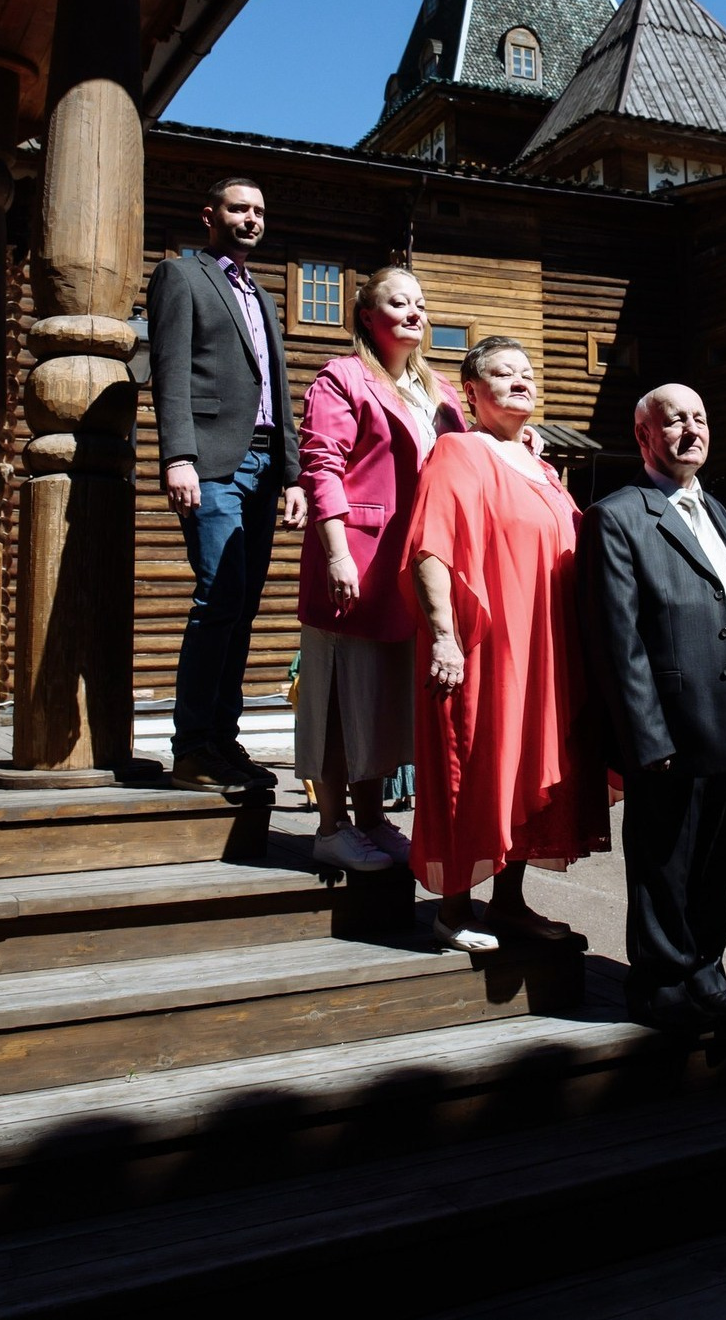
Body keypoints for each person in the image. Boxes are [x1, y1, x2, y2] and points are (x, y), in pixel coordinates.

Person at [404, 336, 609, 952]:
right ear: (472, 391)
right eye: (502, 373)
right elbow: (430, 546)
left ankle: (511, 902)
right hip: (489, 646)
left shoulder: (543, 466)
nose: (521, 381)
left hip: (548, 647)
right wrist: (444, 633)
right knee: (479, 759)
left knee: (531, 766)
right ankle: (454, 906)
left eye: (527, 372)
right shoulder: (459, 452)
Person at [577, 384, 726, 1033]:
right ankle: (661, 985)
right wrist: (644, 736)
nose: (691, 429)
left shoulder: (714, 508)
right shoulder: (618, 515)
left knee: (715, 862)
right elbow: (616, 639)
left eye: (700, 418)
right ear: (644, 436)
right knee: (664, 864)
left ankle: (706, 973)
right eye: (675, 420)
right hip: (668, 730)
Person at [296, 266, 466, 873]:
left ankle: (371, 820)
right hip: (358, 561)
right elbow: (321, 466)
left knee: (383, 699)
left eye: (421, 303)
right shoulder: (341, 378)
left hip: (414, 568)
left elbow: (467, 464)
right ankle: (331, 825)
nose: (415, 314)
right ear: (369, 317)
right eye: (400, 304)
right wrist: (337, 551)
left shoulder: (441, 393)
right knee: (342, 694)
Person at [147, 175, 307, 791]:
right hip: (212, 461)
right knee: (219, 595)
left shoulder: (262, 295)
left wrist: (292, 473)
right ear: (209, 213)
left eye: (260, 211)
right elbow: (170, 372)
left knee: (241, 604)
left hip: (266, 467)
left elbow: (278, 394)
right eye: (239, 208)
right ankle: (191, 747)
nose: (252, 219)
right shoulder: (182, 277)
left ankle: (222, 739)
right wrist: (178, 457)